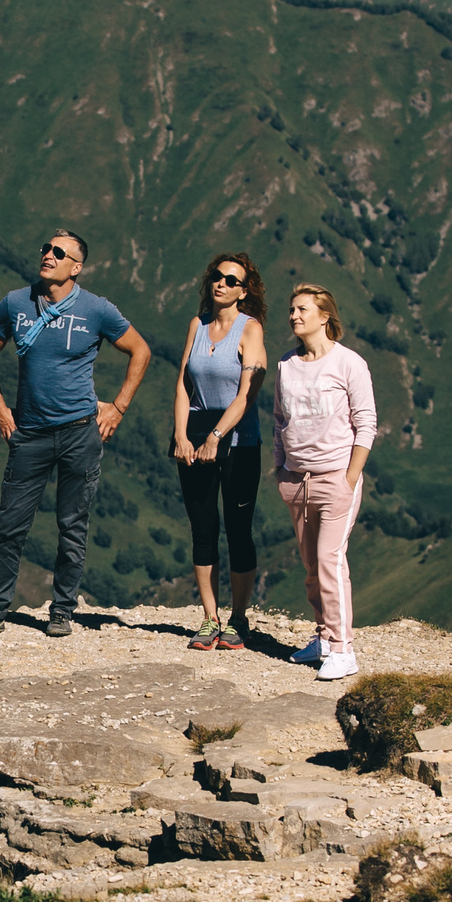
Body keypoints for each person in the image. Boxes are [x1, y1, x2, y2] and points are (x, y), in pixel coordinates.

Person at [0, 230, 152, 638]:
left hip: (80, 432)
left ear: (76, 267)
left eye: (58, 252)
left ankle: (62, 612)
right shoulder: (16, 303)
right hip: (29, 433)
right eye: (45, 248)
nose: (48, 254)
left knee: (72, 526)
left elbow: (141, 350)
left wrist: (118, 406)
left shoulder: (97, 310)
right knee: (10, 525)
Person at [273, 283, 378, 682]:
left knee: (331, 562)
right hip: (296, 480)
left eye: (302, 309)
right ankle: (323, 636)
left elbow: (366, 423)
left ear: (324, 317)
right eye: (292, 309)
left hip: (336, 477)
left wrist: (349, 479)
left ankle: (342, 649)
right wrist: (280, 468)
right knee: (311, 565)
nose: (294, 316)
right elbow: (280, 419)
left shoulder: (349, 363)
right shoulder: (286, 364)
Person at [172, 252, 269, 650]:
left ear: (243, 291)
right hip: (194, 431)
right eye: (216, 276)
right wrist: (180, 433)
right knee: (202, 526)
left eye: (231, 280)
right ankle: (209, 617)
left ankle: (239, 617)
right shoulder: (198, 325)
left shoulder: (250, 330)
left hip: (238, 438)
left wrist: (216, 435)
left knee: (238, 529)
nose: (221, 284)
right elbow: (183, 383)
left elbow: (249, 393)